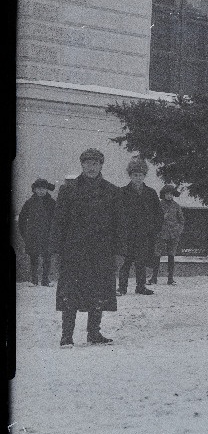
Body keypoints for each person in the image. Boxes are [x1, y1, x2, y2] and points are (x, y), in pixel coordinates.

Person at [53, 148, 122, 347]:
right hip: (74, 250)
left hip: (101, 251)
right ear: (81, 165)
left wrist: (119, 251)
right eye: (87, 163)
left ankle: (94, 333)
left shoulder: (112, 192)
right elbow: (59, 221)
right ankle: (67, 335)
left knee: (98, 291)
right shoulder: (68, 190)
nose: (91, 167)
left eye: (95, 163)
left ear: (101, 165)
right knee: (71, 292)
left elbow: (120, 224)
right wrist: (56, 249)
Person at [117, 157, 163, 296]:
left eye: (140, 175)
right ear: (130, 176)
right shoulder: (122, 192)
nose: (138, 178)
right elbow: (118, 213)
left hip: (144, 234)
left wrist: (154, 229)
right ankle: (122, 287)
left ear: (144, 176)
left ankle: (140, 287)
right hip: (128, 234)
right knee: (126, 261)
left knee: (141, 262)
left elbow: (158, 213)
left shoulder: (151, 193)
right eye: (135, 175)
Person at [18, 178, 57, 286]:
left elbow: (57, 219)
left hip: (47, 235)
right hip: (33, 236)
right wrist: (25, 234)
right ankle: (34, 280)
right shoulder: (29, 203)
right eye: (39, 188)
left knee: (47, 258)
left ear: (47, 190)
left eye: (43, 188)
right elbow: (22, 219)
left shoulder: (52, 203)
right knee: (33, 258)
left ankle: (45, 279)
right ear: (34, 189)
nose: (41, 191)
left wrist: (54, 234)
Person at [148, 184, 185, 286]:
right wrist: (161, 219)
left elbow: (181, 221)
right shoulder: (159, 205)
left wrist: (178, 231)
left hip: (173, 235)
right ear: (163, 194)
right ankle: (154, 278)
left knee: (171, 256)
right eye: (167, 194)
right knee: (157, 255)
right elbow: (153, 220)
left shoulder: (176, 206)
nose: (169, 196)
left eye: (171, 194)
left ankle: (170, 279)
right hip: (161, 234)